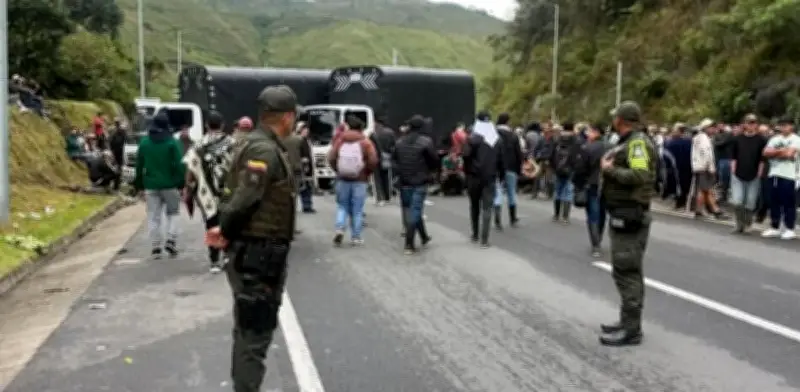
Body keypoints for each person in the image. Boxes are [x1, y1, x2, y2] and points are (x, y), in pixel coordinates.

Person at [205, 85, 299, 392]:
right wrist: (226, 229)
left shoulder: (261, 144)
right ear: (287, 117)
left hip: (258, 253)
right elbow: (246, 198)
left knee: (250, 330)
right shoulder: (263, 150)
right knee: (254, 333)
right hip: (259, 254)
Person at [599, 101, 656, 347]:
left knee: (627, 270)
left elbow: (639, 175)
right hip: (623, 211)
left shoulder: (636, 144)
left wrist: (609, 171)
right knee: (624, 269)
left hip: (632, 213)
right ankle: (626, 322)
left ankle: (632, 329)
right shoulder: (629, 142)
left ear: (621, 120)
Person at [183, 111, 235, 273]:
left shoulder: (198, 146)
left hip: (206, 194)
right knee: (229, 224)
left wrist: (189, 188)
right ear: (223, 125)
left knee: (211, 225)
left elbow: (190, 170)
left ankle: (214, 260)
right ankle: (227, 255)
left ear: (206, 125)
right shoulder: (233, 143)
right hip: (229, 193)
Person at [133, 110, 186, 259]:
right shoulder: (172, 142)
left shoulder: (144, 143)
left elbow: (139, 166)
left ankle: (156, 247)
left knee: (153, 216)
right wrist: (181, 183)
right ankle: (171, 240)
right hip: (170, 185)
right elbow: (180, 165)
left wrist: (139, 185)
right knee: (173, 213)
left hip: (150, 185)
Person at [327, 115, 379, 246]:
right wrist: (366, 172)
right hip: (360, 180)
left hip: (342, 178)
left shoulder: (340, 140)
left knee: (342, 206)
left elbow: (331, 157)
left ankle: (339, 229)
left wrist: (338, 170)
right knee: (357, 209)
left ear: (348, 126)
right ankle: (356, 236)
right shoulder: (365, 142)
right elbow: (373, 160)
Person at [393, 115, 439, 254]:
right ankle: (409, 243)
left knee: (409, 210)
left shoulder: (400, 142)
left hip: (404, 181)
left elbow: (395, 160)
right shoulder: (426, 142)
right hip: (419, 180)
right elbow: (434, 160)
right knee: (415, 211)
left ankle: (424, 237)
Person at [463, 112, 505, 248]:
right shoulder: (497, 140)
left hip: (473, 177)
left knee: (474, 206)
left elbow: (465, 157)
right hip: (490, 177)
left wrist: (467, 172)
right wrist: (501, 176)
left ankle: (475, 234)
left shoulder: (472, 139)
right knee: (487, 208)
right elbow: (501, 161)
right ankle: (484, 239)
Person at [760, 117, 800, 240]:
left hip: (789, 174)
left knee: (788, 202)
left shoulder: (796, 139)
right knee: (774, 201)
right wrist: (782, 151)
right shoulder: (774, 139)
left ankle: (789, 228)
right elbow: (765, 152)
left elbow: (790, 154)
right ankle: (774, 226)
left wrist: (775, 152)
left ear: (791, 126)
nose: (783, 127)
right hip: (774, 173)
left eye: (786, 125)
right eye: (782, 125)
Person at [573, 124, 607, 257]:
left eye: (590, 131)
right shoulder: (610, 146)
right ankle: (599, 237)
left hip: (591, 183)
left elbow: (580, 169)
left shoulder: (587, 148)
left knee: (593, 213)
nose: (587, 134)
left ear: (596, 132)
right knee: (602, 212)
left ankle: (596, 244)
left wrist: (578, 185)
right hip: (606, 184)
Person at [729, 114, 767, 233]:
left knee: (750, 203)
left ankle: (747, 224)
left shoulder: (761, 140)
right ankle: (739, 223)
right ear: (745, 124)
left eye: (754, 122)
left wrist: (760, 172)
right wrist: (733, 170)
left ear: (756, 125)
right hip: (738, 173)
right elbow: (733, 156)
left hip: (754, 174)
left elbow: (762, 159)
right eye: (749, 122)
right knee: (737, 201)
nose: (751, 125)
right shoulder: (737, 139)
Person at [691, 119, 727, 219]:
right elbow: (707, 155)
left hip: (699, 166)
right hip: (704, 167)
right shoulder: (704, 139)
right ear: (706, 128)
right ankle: (715, 210)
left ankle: (701, 210)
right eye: (711, 127)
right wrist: (711, 167)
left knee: (703, 190)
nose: (713, 130)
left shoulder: (698, 137)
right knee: (706, 190)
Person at [494, 113, 523, 229]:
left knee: (498, 192)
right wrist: (519, 169)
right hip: (511, 167)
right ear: (507, 122)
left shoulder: (493, 134)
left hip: (496, 167)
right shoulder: (513, 136)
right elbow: (518, 154)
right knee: (511, 192)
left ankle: (497, 218)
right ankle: (513, 218)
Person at [549, 123, 581, 223]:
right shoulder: (576, 141)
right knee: (568, 192)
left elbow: (551, 155)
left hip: (558, 169)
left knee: (557, 191)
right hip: (570, 170)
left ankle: (556, 215)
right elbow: (577, 156)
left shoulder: (557, 139)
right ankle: (565, 216)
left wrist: (554, 167)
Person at [370, 115, 397, 206]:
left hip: (376, 158)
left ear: (377, 123)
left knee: (377, 179)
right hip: (387, 157)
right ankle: (387, 196)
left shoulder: (373, 133)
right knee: (386, 177)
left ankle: (380, 198)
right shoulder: (390, 132)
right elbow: (394, 145)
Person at [296, 122, 316, 213]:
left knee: (307, 187)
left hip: (308, 167)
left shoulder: (307, 140)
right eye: (304, 129)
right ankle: (306, 205)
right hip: (304, 167)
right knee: (304, 187)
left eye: (307, 129)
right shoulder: (299, 140)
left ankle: (307, 205)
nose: (306, 131)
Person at [108, 119, 127, 191]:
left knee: (115, 167)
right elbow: (125, 140)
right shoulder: (122, 131)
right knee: (118, 168)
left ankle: (115, 184)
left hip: (115, 152)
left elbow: (110, 141)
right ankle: (116, 184)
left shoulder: (113, 131)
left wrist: (111, 150)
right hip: (119, 151)